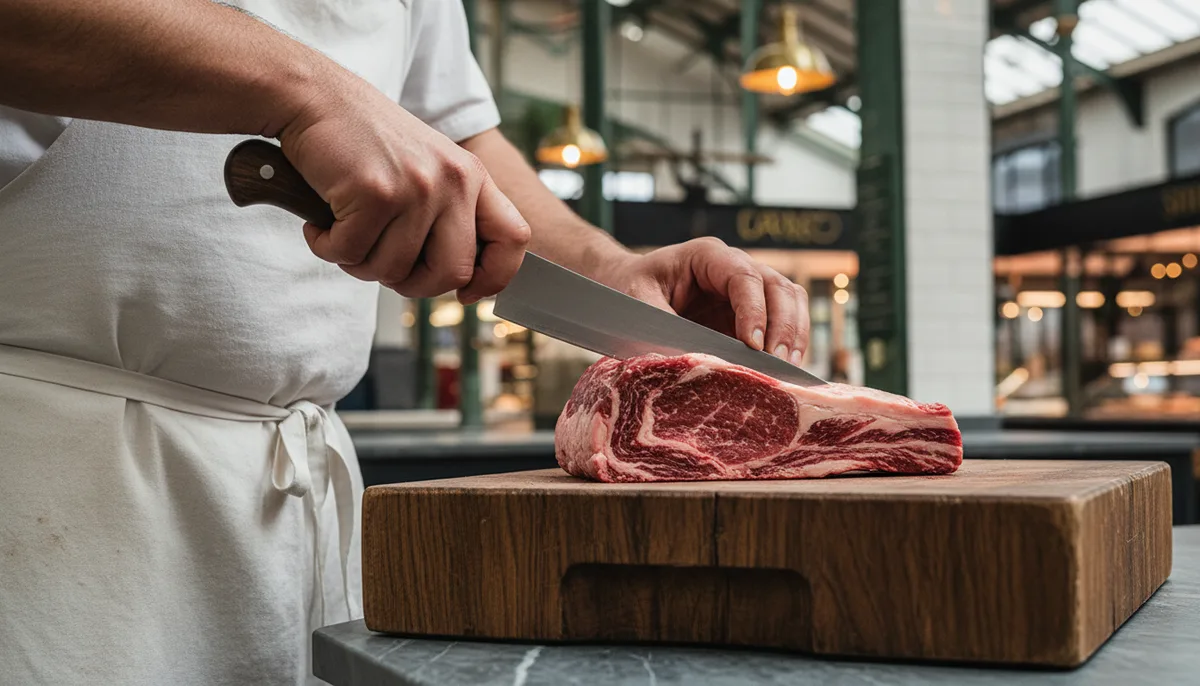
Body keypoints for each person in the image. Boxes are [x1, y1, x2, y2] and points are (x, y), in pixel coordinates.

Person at [0, 1, 810, 684]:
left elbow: (457, 143)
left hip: (291, 493)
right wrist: (307, 92)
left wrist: (611, 266)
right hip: (54, 477)